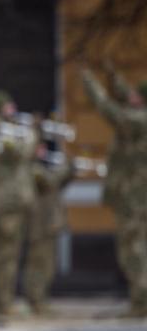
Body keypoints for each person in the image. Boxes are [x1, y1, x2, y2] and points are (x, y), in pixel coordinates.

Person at [82, 69, 147, 317]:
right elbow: (124, 98)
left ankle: (142, 302)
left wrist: (91, 83)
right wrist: (113, 77)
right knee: (135, 247)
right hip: (135, 197)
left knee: (133, 249)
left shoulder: (138, 121)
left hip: (135, 198)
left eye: (135, 95)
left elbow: (109, 110)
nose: (130, 96)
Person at [0, 90, 36, 321]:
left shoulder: (10, 130)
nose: (12, 110)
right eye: (7, 107)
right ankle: (3, 303)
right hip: (7, 201)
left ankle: (8, 300)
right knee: (6, 255)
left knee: (13, 254)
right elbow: (20, 152)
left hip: (18, 200)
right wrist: (29, 131)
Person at [24, 139, 74, 316]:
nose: (42, 151)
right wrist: (66, 167)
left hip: (51, 222)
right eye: (39, 147)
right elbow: (50, 182)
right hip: (38, 224)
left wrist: (71, 169)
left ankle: (43, 299)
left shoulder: (46, 167)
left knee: (48, 265)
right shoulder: (33, 168)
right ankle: (35, 300)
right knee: (38, 263)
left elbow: (61, 184)